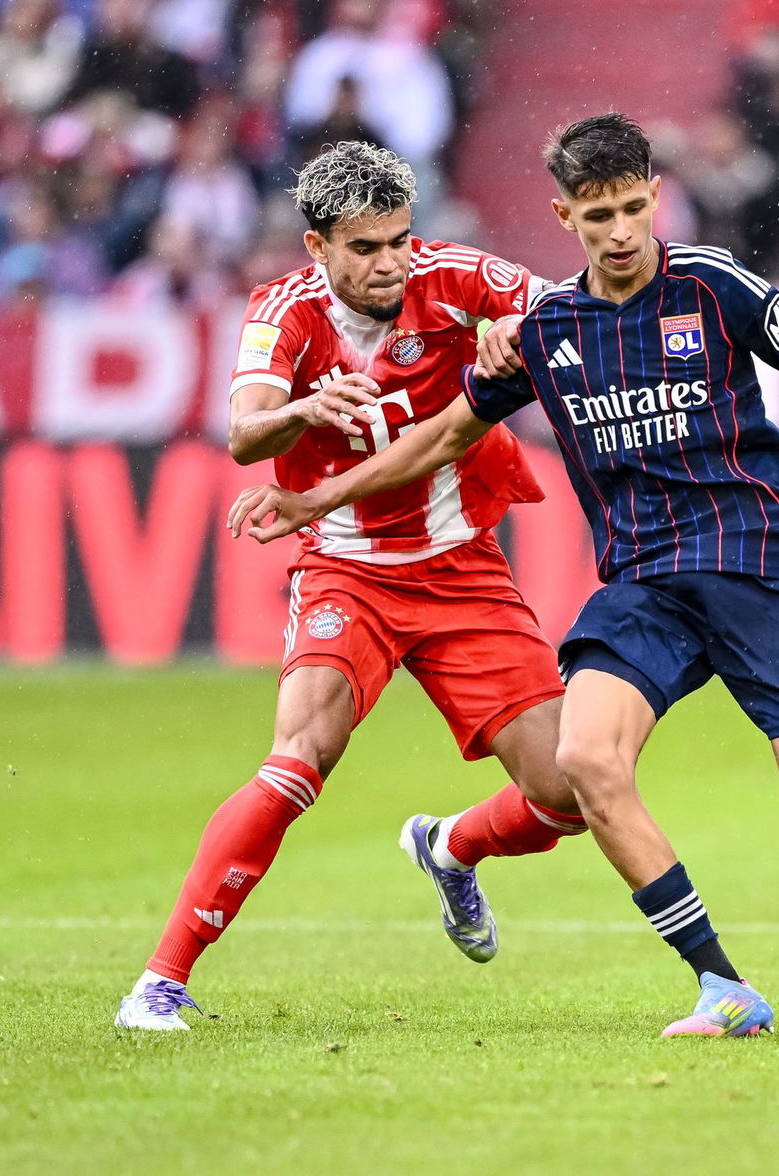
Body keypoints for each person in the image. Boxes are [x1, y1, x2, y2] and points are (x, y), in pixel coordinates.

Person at [235, 113, 779, 1038]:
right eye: (600, 217)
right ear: (565, 216)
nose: (622, 232)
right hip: (646, 586)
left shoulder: (715, 286)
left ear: (655, 198)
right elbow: (441, 438)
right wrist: (320, 499)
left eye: (636, 208)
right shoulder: (549, 330)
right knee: (586, 760)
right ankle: (723, 987)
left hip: (763, 569)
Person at [115, 141, 588, 1030]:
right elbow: (245, 436)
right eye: (365, 248)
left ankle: (450, 849)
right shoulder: (284, 314)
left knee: (570, 792)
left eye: (399, 241)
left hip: (462, 569)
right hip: (347, 567)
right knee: (297, 759)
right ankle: (160, 984)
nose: (389, 264)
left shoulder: (456, 277)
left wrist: (519, 332)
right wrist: (301, 410)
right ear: (316, 247)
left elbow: (570, 312)